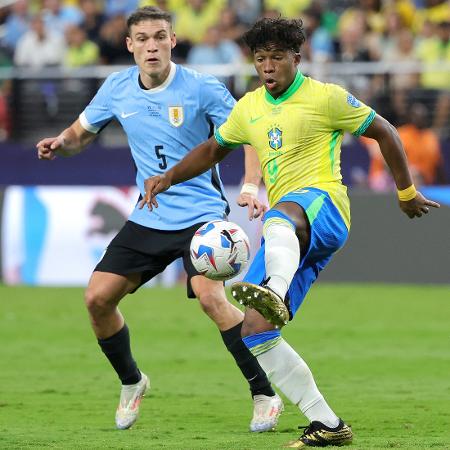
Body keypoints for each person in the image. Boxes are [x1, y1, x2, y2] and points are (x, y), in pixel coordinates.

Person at [140, 16, 440, 448]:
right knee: (255, 331)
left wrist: (406, 190)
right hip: (293, 238)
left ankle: (275, 289)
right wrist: (167, 178)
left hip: (324, 207)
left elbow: (385, 131)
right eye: (261, 58)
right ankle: (328, 423)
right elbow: (212, 149)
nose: (268, 66)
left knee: (277, 217)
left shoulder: (326, 97)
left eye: (277, 57)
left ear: (295, 58)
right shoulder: (249, 108)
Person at [36, 7, 283, 432]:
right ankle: (132, 381)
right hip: (149, 215)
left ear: (173, 40)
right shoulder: (116, 88)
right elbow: (81, 134)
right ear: (130, 45)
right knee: (97, 299)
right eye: (143, 38)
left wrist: (248, 186)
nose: (152, 45)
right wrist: (60, 143)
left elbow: (248, 134)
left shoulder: (202, 88)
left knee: (211, 298)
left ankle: (263, 392)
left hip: (201, 215)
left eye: (160, 36)